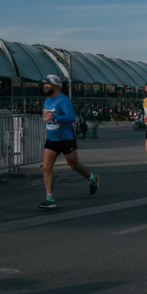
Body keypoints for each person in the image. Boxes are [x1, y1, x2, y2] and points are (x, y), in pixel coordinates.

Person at [38, 74, 98, 209]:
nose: (45, 86)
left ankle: (92, 178)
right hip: (52, 138)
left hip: (66, 139)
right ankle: (49, 198)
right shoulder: (47, 100)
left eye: (47, 84)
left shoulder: (64, 100)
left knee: (74, 165)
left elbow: (71, 117)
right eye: (44, 84)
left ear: (56, 85)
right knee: (46, 167)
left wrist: (56, 117)